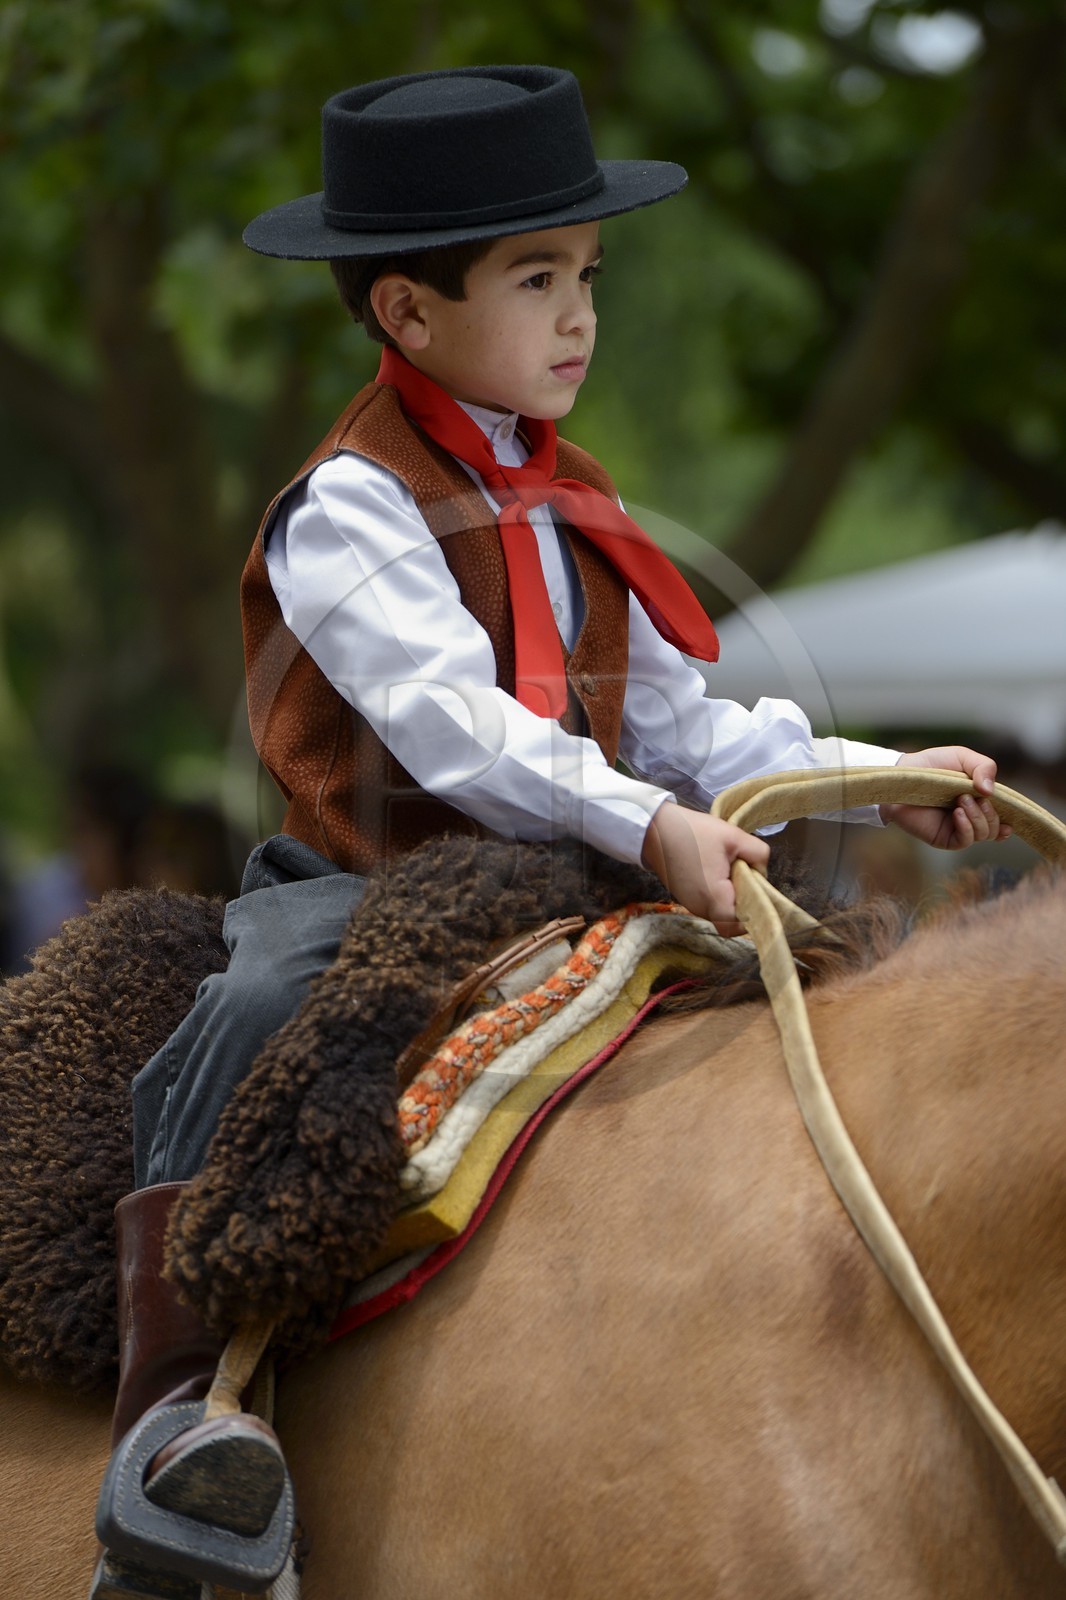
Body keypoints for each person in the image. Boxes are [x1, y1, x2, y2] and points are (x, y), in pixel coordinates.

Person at [93, 65, 1008, 1599]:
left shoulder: (575, 497)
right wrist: (650, 830)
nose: (580, 315)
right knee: (255, 1010)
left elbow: (685, 727)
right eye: (536, 280)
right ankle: (180, 1416)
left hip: (575, 870)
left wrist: (864, 776)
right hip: (371, 883)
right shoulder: (350, 507)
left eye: (586, 275)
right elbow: (461, 730)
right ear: (405, 313)